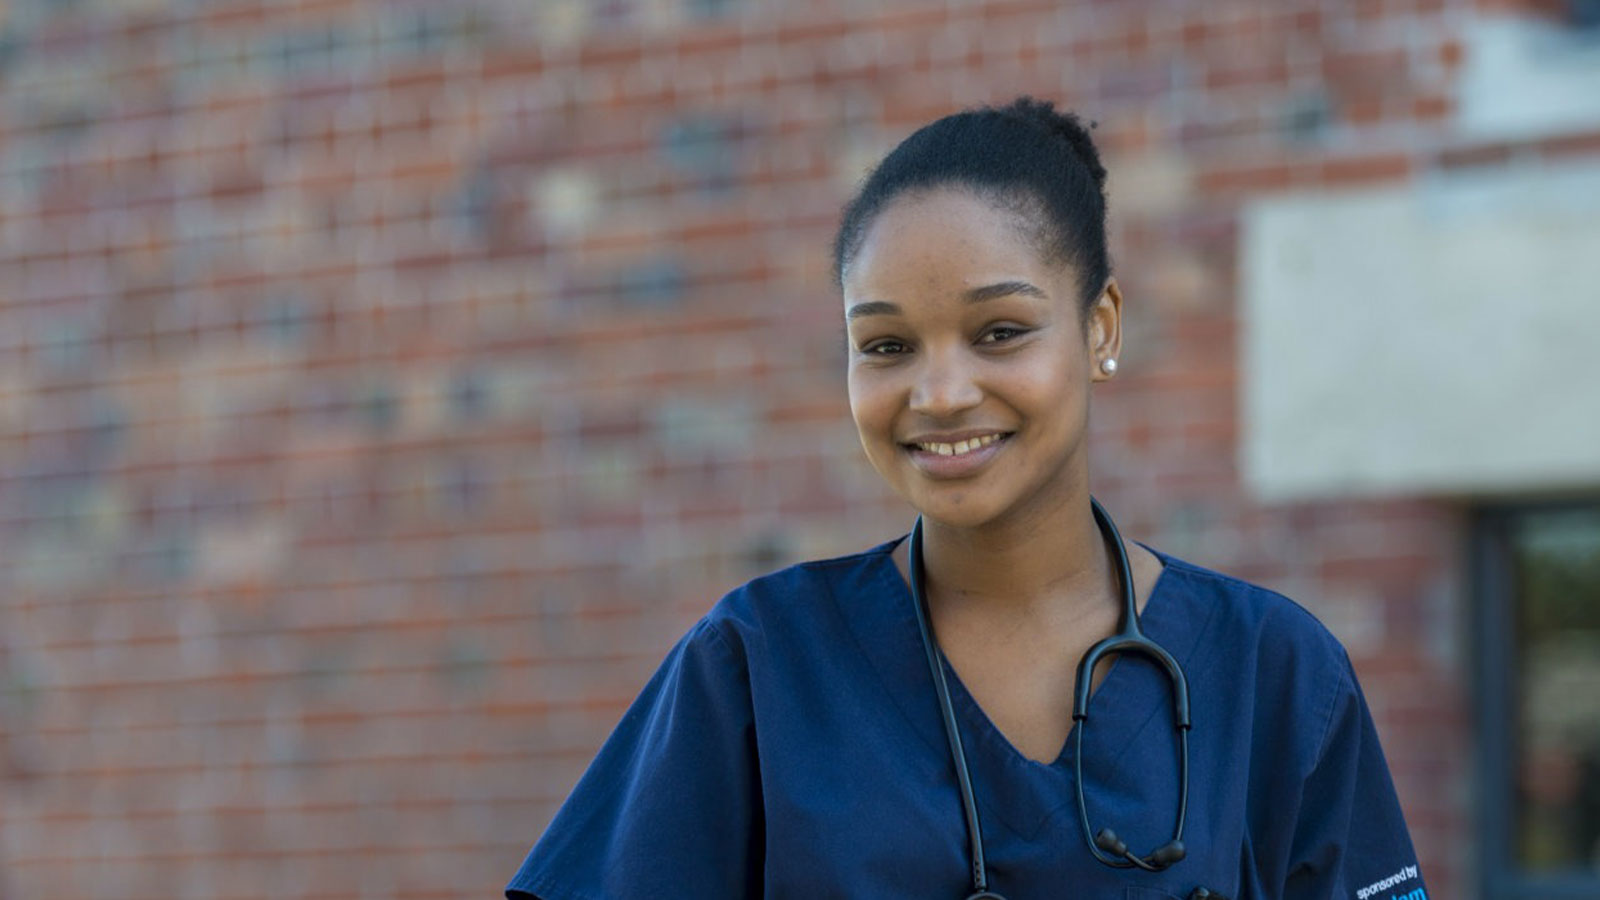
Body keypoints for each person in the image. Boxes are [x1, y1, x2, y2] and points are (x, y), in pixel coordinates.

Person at [505, 98, 1428, 900]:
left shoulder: (1275, 676)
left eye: (999, 331)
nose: (939, 393)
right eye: (886, 345)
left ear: (1100, 326)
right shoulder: (757, 666)